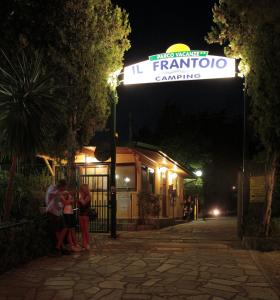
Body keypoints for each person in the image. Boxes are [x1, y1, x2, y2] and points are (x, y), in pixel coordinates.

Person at [45, 179, 70, 255]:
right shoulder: (52, 188)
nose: (65, 189)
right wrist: (62, 194)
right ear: (62, 186)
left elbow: (62, 202)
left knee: (63, 228)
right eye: (64, 187)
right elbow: (52, 195)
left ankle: (59, 247)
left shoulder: (59, 192)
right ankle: (59, 248)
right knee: (56, 231)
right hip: (52, 213)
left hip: (58, 213)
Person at [78, 184, 91, 250]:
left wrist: (80, 199)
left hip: (85, 214)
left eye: (82, 189)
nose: (81, 191)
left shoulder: (88, 196)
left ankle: (87, 244)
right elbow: (79, 205)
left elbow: (84, 203)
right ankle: (84, 244)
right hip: (81, 214)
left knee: (86, 230)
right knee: (82, 230)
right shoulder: (82, 196)